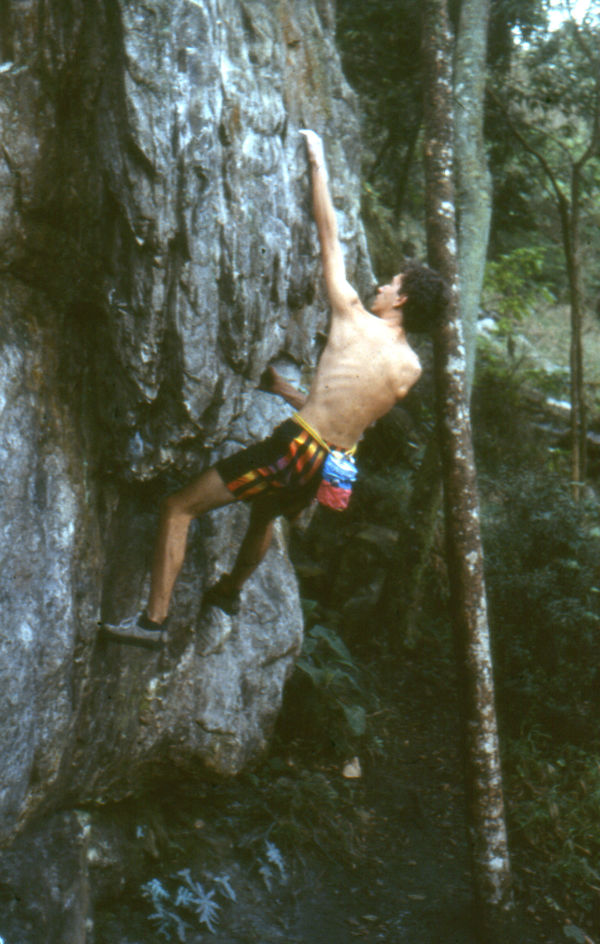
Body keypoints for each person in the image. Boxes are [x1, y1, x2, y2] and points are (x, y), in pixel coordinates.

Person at [101, 130, 447, 646]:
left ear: (401, 302)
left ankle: (153, 622)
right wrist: (286, 389)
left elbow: (328, 234)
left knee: (178, 507)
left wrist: (317, 161)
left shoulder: (352, 316)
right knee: (269, 510)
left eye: (390, 285)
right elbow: (344, 413)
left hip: (294, 447)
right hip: (331, 465)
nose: (379, 286)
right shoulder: (410, 369)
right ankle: (230, 590)